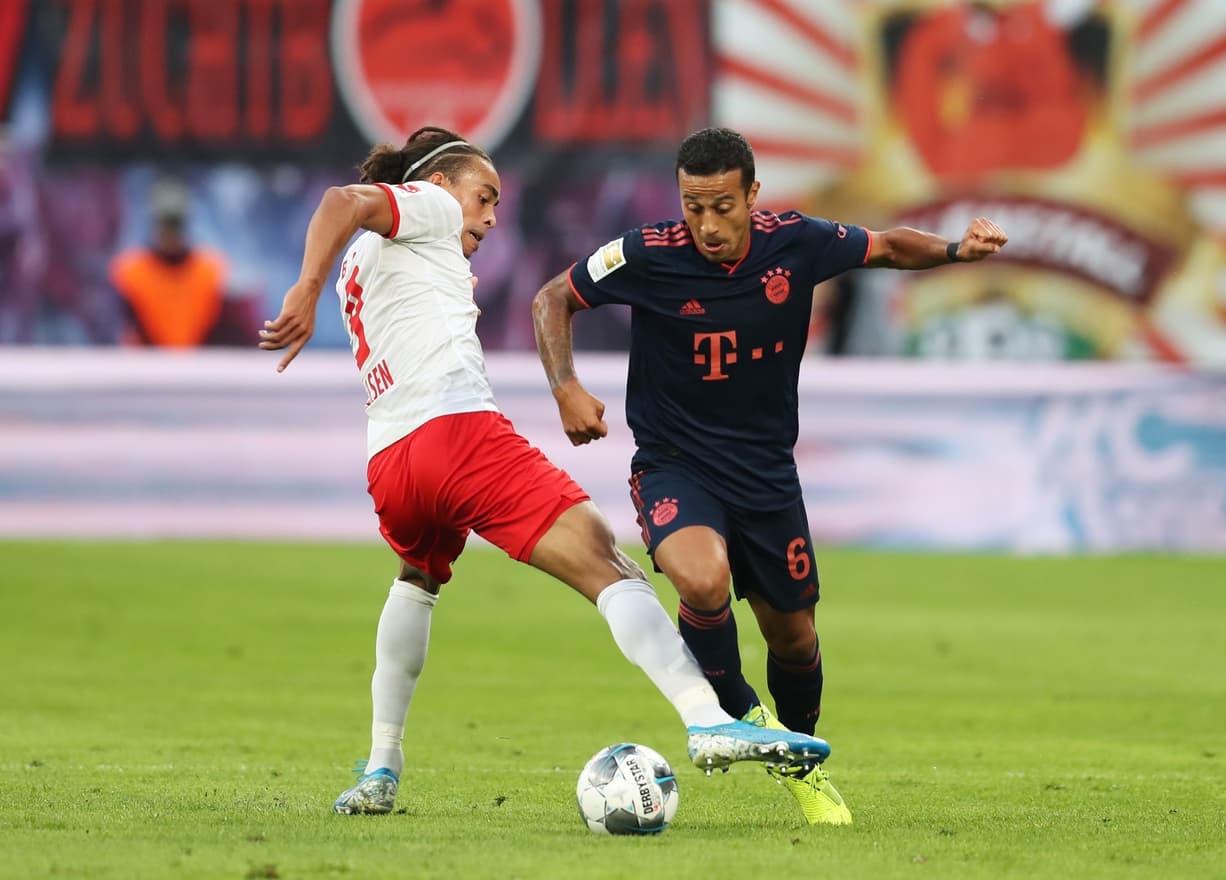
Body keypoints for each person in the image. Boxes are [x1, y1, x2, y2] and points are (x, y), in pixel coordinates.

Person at [257, 125, 831, 816]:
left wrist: (324, 279)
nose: (492, 217)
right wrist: (302, 290)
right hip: (456, 432)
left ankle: (381, 766)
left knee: (417, 581)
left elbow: (353, 225)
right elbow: (339, 199)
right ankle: (705, 718)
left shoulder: (364, 260)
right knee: (610, 566)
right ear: (439, 186)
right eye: (484, 197)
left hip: (390, 462)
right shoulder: (428, 205)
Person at [531, 127, 1007, 825]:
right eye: (693, 206)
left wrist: (958, 250)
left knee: (796, 639)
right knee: (700, 579)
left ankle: (798, 758)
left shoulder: (798, 242)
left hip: (765, 476)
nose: (707, 223)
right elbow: (552, 299)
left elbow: (887, 247)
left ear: (752, 194)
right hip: (675, 464)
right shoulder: (645, 253)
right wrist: (565, 385)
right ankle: (738, 719)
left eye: (722, 205)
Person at [110, 180, 233, 347]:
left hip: (200, 365)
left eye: (175, 224)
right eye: (164, 224)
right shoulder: (131, 270)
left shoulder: (209, 269)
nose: (170, 232)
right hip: (144, 366)